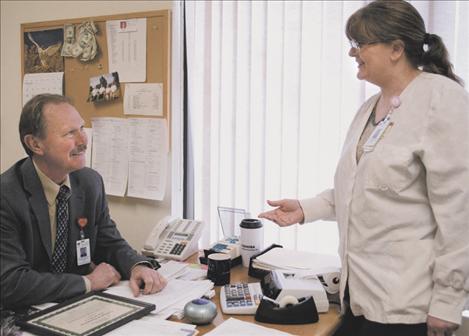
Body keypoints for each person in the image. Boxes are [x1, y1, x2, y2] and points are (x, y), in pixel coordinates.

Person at [259, 1, 469, 336]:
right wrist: (305, 209)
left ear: (396, 49)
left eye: (360, 44)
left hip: (407, 306)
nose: (352, 53)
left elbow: (459, 213)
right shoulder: (371, 107)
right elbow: (359, 188)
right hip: (359, 296)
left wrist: (447, 301)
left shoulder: (441, 100)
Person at [0, 94, 167, 312]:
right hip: (20, 314)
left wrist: (137, 266)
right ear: (35, 144)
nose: (83, 141)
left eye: (81, 128)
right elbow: (11, 282)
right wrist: (88, 282)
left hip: (77, 307)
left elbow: (108, 241)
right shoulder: (7, 195)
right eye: (70, 133)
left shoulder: (89, 182)